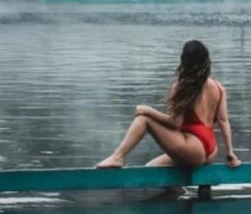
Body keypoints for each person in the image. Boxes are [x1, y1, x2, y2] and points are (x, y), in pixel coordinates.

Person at [96, 40, 242, 169]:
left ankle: (117, 158)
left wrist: (147, 110)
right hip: (211, 150)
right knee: (151, 169)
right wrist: (230, 152)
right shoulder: (218, 86)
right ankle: (180, 193)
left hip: (193, 149)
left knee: (143, 119)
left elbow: (174, 123)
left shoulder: (182, 86)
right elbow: (223, 121)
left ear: (184, 61)